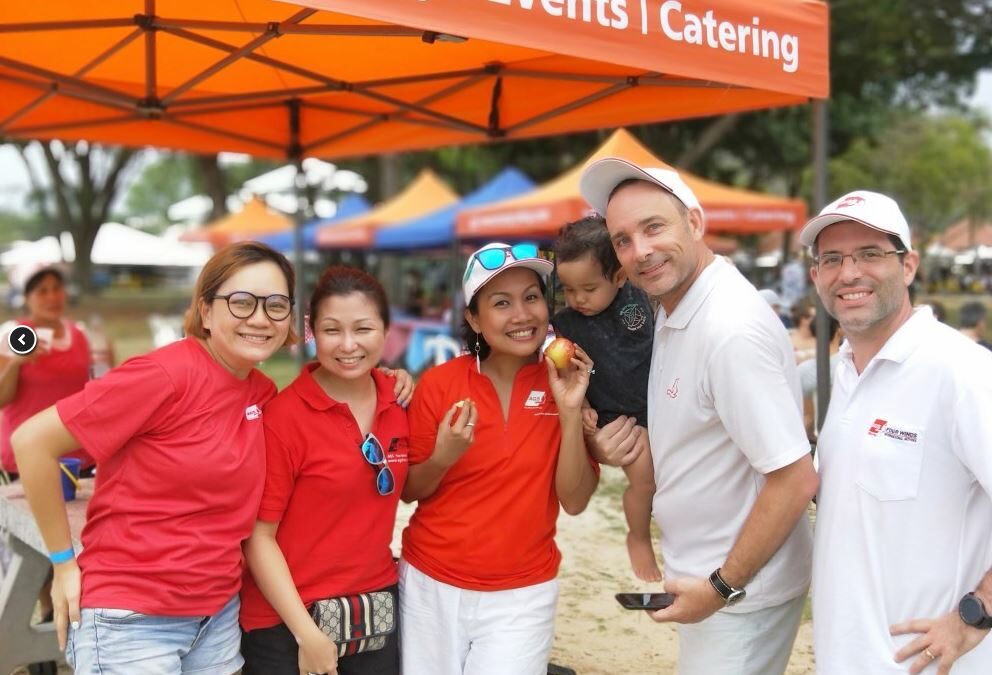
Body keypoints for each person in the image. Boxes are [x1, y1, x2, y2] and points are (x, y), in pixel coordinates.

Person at [579, 158, 818, 675]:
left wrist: (721, 587)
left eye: (653, 227)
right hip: (713, 581)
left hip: (739, 594)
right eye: (622, 239)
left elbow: (795, 479)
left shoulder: (727, 329)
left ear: (695, 222)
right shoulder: (676, 304)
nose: (639, 251)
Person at [12, 242, 297, 674]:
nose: (260, 318)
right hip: (131, 621)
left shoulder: (260, 391)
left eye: (276, 305)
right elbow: (32, 441)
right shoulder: (162, 375)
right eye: (241, 302)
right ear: (205, 310)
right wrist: (62, 564)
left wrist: (386, 379)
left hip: (215, 617)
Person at [800, 190, 992, 674]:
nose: (849, 273)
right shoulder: (844, 372)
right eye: (832, 259)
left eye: (870, 254)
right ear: (815, 276)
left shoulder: (963, 372)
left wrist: (975, 614)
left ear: (909, 266)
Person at [399, 242, 600, 675]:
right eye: (501, 303)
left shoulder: (566, 380)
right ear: (474, 318)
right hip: (431, 586)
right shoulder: (439, 384)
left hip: (523, 594)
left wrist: (568, 415)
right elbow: (410, 490)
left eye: (531, 298)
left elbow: (576, 500)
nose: (522, 315)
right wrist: (443, 456)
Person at [240, 266, 415, 675]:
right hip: (285, 621)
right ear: (310, 330)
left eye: (364, 328)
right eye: (332, 329)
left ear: (388, 331)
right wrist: (307, 634)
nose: (348, 344)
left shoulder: (400, 401)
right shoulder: (282, 418)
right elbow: (258, 538)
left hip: (373, 611)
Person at [551, 216, 659, 581]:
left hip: (656, 402)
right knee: (644, 480)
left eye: (588, 288)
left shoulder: (636, 304)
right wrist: (583, 409)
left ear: (618, 277)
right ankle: (639, 537)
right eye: (568, 289)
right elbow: (567, 375)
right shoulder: (566, 325)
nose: (578, 298)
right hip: (614, 415)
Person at [0, 267, 92, 477]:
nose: (52, 297)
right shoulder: (12, 334)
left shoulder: (80, 333)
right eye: (42, 291)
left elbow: (94, 388)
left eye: (57, 288)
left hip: (79, 456)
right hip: (28, 456)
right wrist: (15, 364)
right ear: (26, 298)